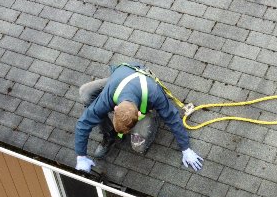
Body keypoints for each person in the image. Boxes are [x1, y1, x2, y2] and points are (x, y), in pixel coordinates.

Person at [74, 64, 203, 172]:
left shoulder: (154, 93)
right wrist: (81, 157)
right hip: (119, 80)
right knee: (86, 93)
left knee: (138, 146)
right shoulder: (108, 96)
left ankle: (153, 115)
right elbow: (83, 123)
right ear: (115, 109)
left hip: (141, 88)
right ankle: (110, 135)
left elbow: (172, 117)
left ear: (139, 115)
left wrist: (186, 148)